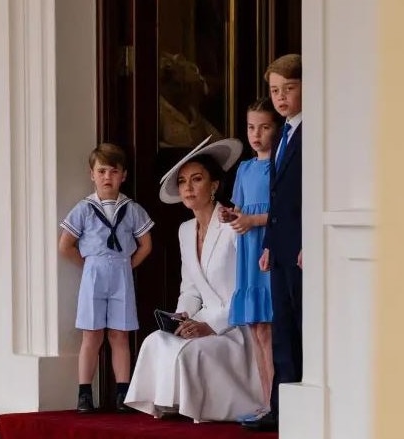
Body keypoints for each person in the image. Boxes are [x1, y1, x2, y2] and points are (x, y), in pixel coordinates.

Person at [124, 137, 262, 423]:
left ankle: (198, 406)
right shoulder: (185, 230)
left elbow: (244, 288)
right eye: (183, 181)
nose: (188, 187)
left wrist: (210, 326)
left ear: (213, 186)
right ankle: (168, 403)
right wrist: (181, 317)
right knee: (155, 340)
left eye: (196, 179)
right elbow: (189, 288)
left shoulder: (232, 225)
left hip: (236, 326)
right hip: (200, 318)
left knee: (192, 352)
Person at [59, 143, 154, 413]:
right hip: (94, 271)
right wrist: (88, 265)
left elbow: (146, 244)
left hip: (121, 270)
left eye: (113, 171)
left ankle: (123, 394)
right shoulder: (84, 209)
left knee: (120, 334)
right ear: (92, 174)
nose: (107, 177)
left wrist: (127, 265)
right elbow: (65, 245)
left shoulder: (132, 209)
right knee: (91, 335)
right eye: (101, 171)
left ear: (123, 175)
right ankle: (84, 394)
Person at [242, 54, 303, 433]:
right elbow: (277, 196)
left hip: (300, 250)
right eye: (274, 91)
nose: (281, 98)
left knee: (300, 326)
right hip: (278, 249)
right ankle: (280, 407)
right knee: (281, 330)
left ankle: (301, 405)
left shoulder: (313, 130)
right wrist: (268, 243)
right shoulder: (284, 134)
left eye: (289, 89)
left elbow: (311, 193)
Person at [219, 98, 281, 421]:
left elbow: (282, 213)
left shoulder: (280, 165)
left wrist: (251, 221)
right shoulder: (244, 168)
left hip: (266, 250)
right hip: (247, 251)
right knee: (255, 329)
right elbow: (242, 210)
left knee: (268, 329)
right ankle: (264, 399)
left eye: (264, 127)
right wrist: (231, 215)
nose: (256, 134)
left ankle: (276, 403)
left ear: (276, 128)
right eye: (251, 127)